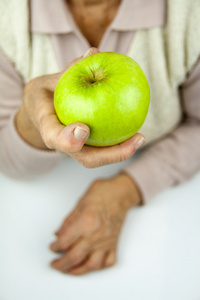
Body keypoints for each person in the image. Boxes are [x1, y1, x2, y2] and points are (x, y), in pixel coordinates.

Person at [0, 0, 199, 276]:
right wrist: (32, 120)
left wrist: (127, 188)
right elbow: (7, 158)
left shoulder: (189, 14)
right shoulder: (7, 19)